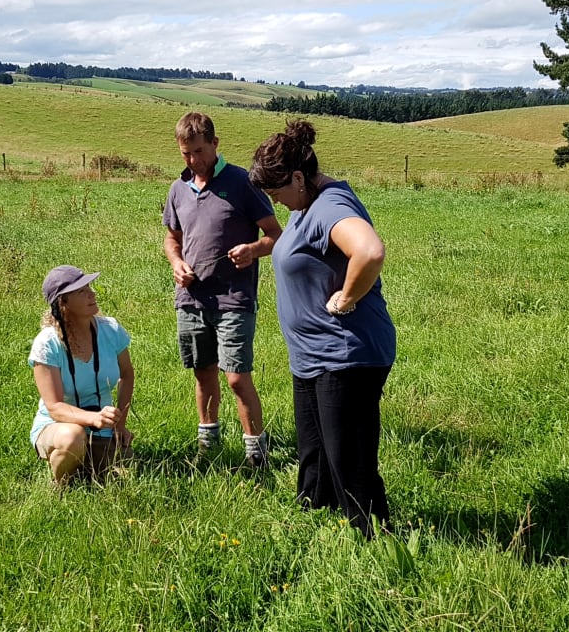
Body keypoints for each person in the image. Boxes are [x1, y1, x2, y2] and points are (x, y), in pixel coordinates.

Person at [248, 119, 397, 537]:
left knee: (349, 458)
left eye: (278, 194)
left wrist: (346, 298)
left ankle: (375, 540)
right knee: (315, 454)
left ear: (299, 177)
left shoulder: (330, 206)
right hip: (313, 357)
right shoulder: (306, 206)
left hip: (346, 355)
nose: (277, 204)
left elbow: (369, 251)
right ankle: (313, 527)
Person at [163, 111, 282, 466]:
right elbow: (172, 239)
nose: (193, 160)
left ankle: (255, 454)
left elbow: (276, 234)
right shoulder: (177, 190)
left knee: (235, 377)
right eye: (185, 153)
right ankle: (208, 446)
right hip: (192, 299)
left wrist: (253, 249)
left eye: (199, 151)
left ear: (215, 144)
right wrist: (176, 263)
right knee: (203, 372)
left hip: (234, 298)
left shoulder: (242, 183)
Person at [28, 265, 134, 483]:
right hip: (57, 426)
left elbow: (127, 374)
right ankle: (59, 488)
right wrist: (94, 418)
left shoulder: (111, 329)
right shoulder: (47, 344)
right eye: (81, 291)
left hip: (102, 425)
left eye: (89, 287)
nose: (92, 294)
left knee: (125, 472)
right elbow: (55, 407)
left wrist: (120, 423)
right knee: (73, 437)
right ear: (63, 304)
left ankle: (82, 466)